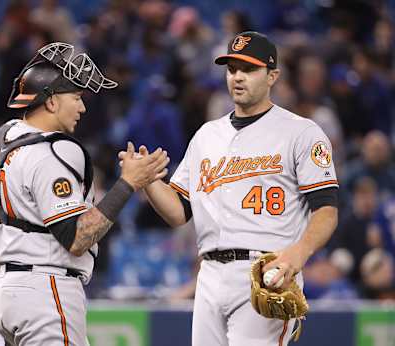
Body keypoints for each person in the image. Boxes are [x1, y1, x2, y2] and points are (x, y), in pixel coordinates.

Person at [119, 31, 339, 345]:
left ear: (272, 75)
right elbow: (179, 211)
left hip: (265, 270)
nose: (238, 77)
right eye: (232, 69)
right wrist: (147, 181)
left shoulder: (301, 132)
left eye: (249, 69)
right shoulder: (206, 135)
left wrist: (298, 254)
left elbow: (327, 210)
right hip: (208, 274)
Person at [0, 42, 169, 346]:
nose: (82, 107)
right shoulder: (52, 150)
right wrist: (128, 183)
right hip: (45, 289)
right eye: (76, 97)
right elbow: (77, 238)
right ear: (51, 101)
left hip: (3, 291)